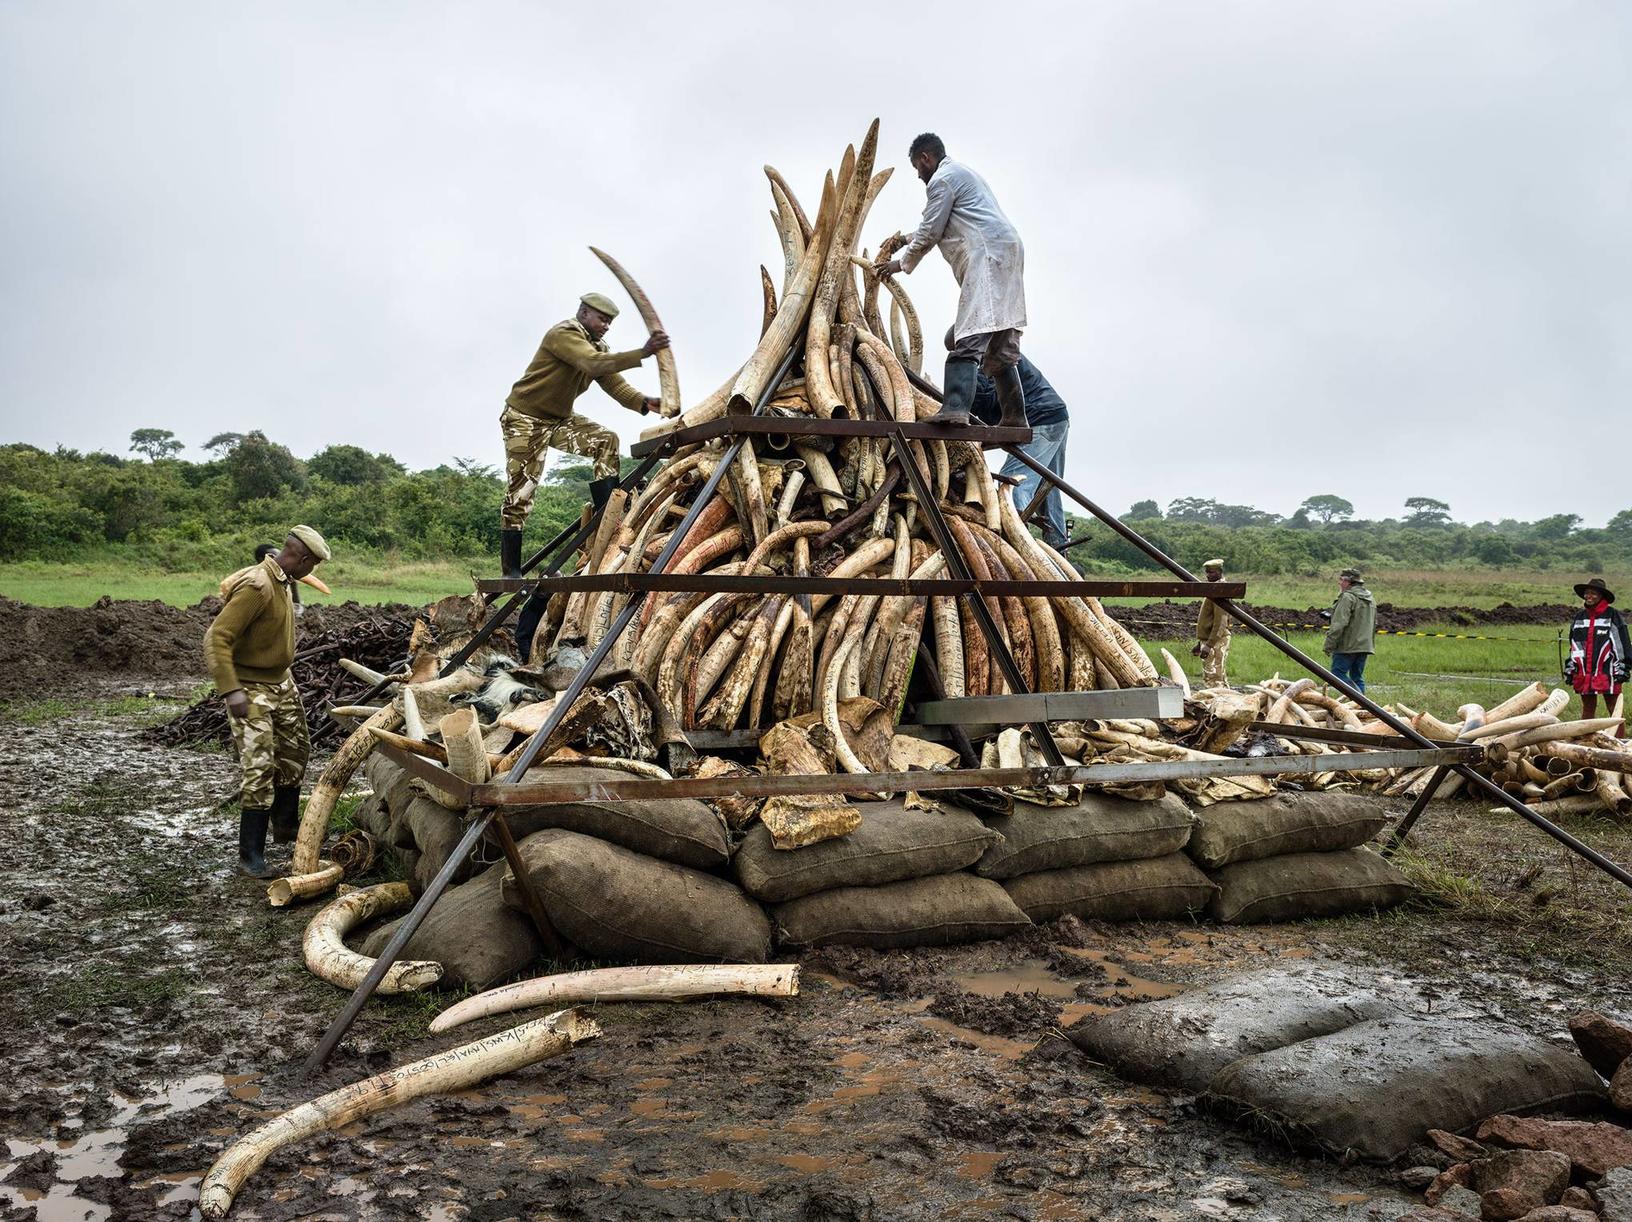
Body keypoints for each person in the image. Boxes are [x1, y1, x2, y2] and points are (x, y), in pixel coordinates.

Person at [499, 292, 670, 577]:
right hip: (525, 419)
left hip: (559, 419)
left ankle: (608, 517)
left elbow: (615, 385)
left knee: (606, 440)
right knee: (521, 492)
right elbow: (592, 364)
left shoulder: (598, 347)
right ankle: (510, 570)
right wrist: (642, 353)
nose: (606, 326)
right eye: (602, 319)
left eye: (610, 322)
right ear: (584, 313)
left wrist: (643, 402)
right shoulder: (563, 334)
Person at [877, 133, 1026, 429]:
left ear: (925, 159)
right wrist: (904, 239)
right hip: (1005, 252)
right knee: (998, 338)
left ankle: (955, 408)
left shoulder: (941, 180)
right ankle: (1014, 418)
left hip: (988, 258)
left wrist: (900, 264)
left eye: (918, 169)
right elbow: (939, 223)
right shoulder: (960, 173)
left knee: (970, 331)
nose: (919, 176)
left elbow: (932, 230)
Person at [205, 526, 330, 877]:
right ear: (302, 559)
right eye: (314, 565)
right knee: (259, 768)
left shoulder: (284, 581)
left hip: (281, 682)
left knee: (296, 751)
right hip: (251, 685)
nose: (312, 573)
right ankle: (251, 855)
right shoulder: (257, 586)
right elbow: (216, 638)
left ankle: (286, 827)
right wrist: (231, 690)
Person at [967, 334, 1071, 549]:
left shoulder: (990, 360)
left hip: (1040, 422)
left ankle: (1017, 547)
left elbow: (981, 405)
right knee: (1047, 488)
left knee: (1013, 484)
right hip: (1056, 416)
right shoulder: (995, 353)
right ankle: (1058, 549)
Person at [1564, 576, 1628, 727]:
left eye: (1593, 593)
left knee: (1614, 710)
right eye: (1587, 593)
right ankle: (1586, 744)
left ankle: (1621, 744)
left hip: (1609, 671)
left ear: (1601, 596)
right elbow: (1574, 645)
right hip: (1585, 671)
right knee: (1587, 709)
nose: (1589, 596)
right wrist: (1571, 667)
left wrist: (1623, 668)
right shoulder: (1579, 617)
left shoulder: (1613, 615)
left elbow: (1622, 644)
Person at [1323, 568, 1377, 693]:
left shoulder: (1347, 597)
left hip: (1347, 645)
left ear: (1348, 582)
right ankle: (1362, 708)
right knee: (1357, 677)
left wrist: (1329, 645)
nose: (1339, 583)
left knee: (1336, 675)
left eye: (1341, 580)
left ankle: (1359, 699)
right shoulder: (1370, 598)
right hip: (1365, 645)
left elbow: (1339, 624)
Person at [1193, 559, 1232, 688]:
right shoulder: (1214, 589)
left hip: (1216, 641)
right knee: (1213, 677)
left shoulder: (1220, 591)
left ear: (1220, 572)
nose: (1208, 575)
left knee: (1215, 679)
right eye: (1207, 572)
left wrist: (1209, 645)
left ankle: (1220, 705)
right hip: (1210, 640)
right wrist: (1201, 643)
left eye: (1212, 572)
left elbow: (1220, 622)